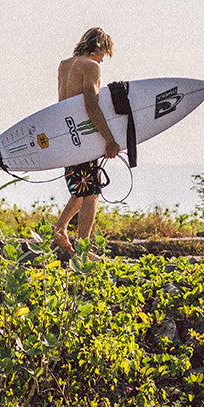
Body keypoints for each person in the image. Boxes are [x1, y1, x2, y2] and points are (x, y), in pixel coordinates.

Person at [52, 28, 121, 256]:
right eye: (103, 54)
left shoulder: (64, 65)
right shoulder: (91, 66)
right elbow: (91, 105)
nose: (102, 59)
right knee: (91, 194)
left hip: (66, 134)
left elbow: (64, 102)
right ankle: (83, 249)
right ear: (98, 47)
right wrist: (109, 140)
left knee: (81, 188)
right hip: (83, 136)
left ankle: (60, 228)